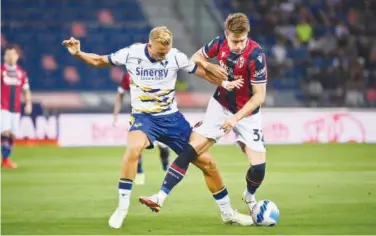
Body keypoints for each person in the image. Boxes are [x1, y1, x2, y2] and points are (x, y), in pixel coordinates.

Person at [62, 26, 250, 229]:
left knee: (208, 164)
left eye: (166, 52)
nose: (163, 56)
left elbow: (202, 72)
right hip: (144, 118)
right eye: (160, 52)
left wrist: (225, 84)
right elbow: (98, 60)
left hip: (172, 120)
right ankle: (122, 208)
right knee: (133, 149)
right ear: (149, 45)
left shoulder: (175, 56)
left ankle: (227, 213)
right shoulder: (131, 53)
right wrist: (79, 53)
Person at [140, 13, 268, 216]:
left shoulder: (256, 55)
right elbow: (195, 59)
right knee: (192, 149)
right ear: (226, 34)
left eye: (242, 40)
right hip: (220, 105)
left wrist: (235, 119)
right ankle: (160, 196)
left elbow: (259, 96)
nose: (238, 45)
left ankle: (250, 197)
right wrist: (211, 65)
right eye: (234, 40)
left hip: (247, 114)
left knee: (259, 168)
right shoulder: (218, 44)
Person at [113, 71, 170, 185]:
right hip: (138, 115)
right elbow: (120, 95)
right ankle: (139, 173)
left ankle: (165, 165)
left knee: (163, 145)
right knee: (136, 145)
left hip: (157, 114)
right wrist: (115, 115)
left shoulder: (153, 70)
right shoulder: (128, 75)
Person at [1, 45, 33, 168]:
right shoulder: (1, 71)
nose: (10, 56)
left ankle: (5, 159)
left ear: (17, 56)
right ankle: (4, 160)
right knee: (5, 131)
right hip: (2, 107)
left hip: (16, 108)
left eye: (13, 54)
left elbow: (26, 90)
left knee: (13, 135)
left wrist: (28, 103)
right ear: (4, 57)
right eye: (8, 54)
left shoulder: (21, 73)